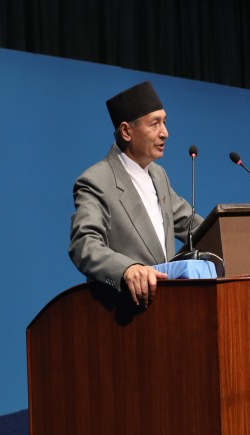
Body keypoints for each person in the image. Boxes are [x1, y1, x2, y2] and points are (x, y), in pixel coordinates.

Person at [69, 81, 201, 308]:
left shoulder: (158, 175)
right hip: (124, 311)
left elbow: (195, 227)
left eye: (164, 122)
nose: (165, 133)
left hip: (168, 307)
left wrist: (236, 241)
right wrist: (127, 269)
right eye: (155, 124)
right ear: (126, 131)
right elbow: (84, 244)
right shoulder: (96, 180)